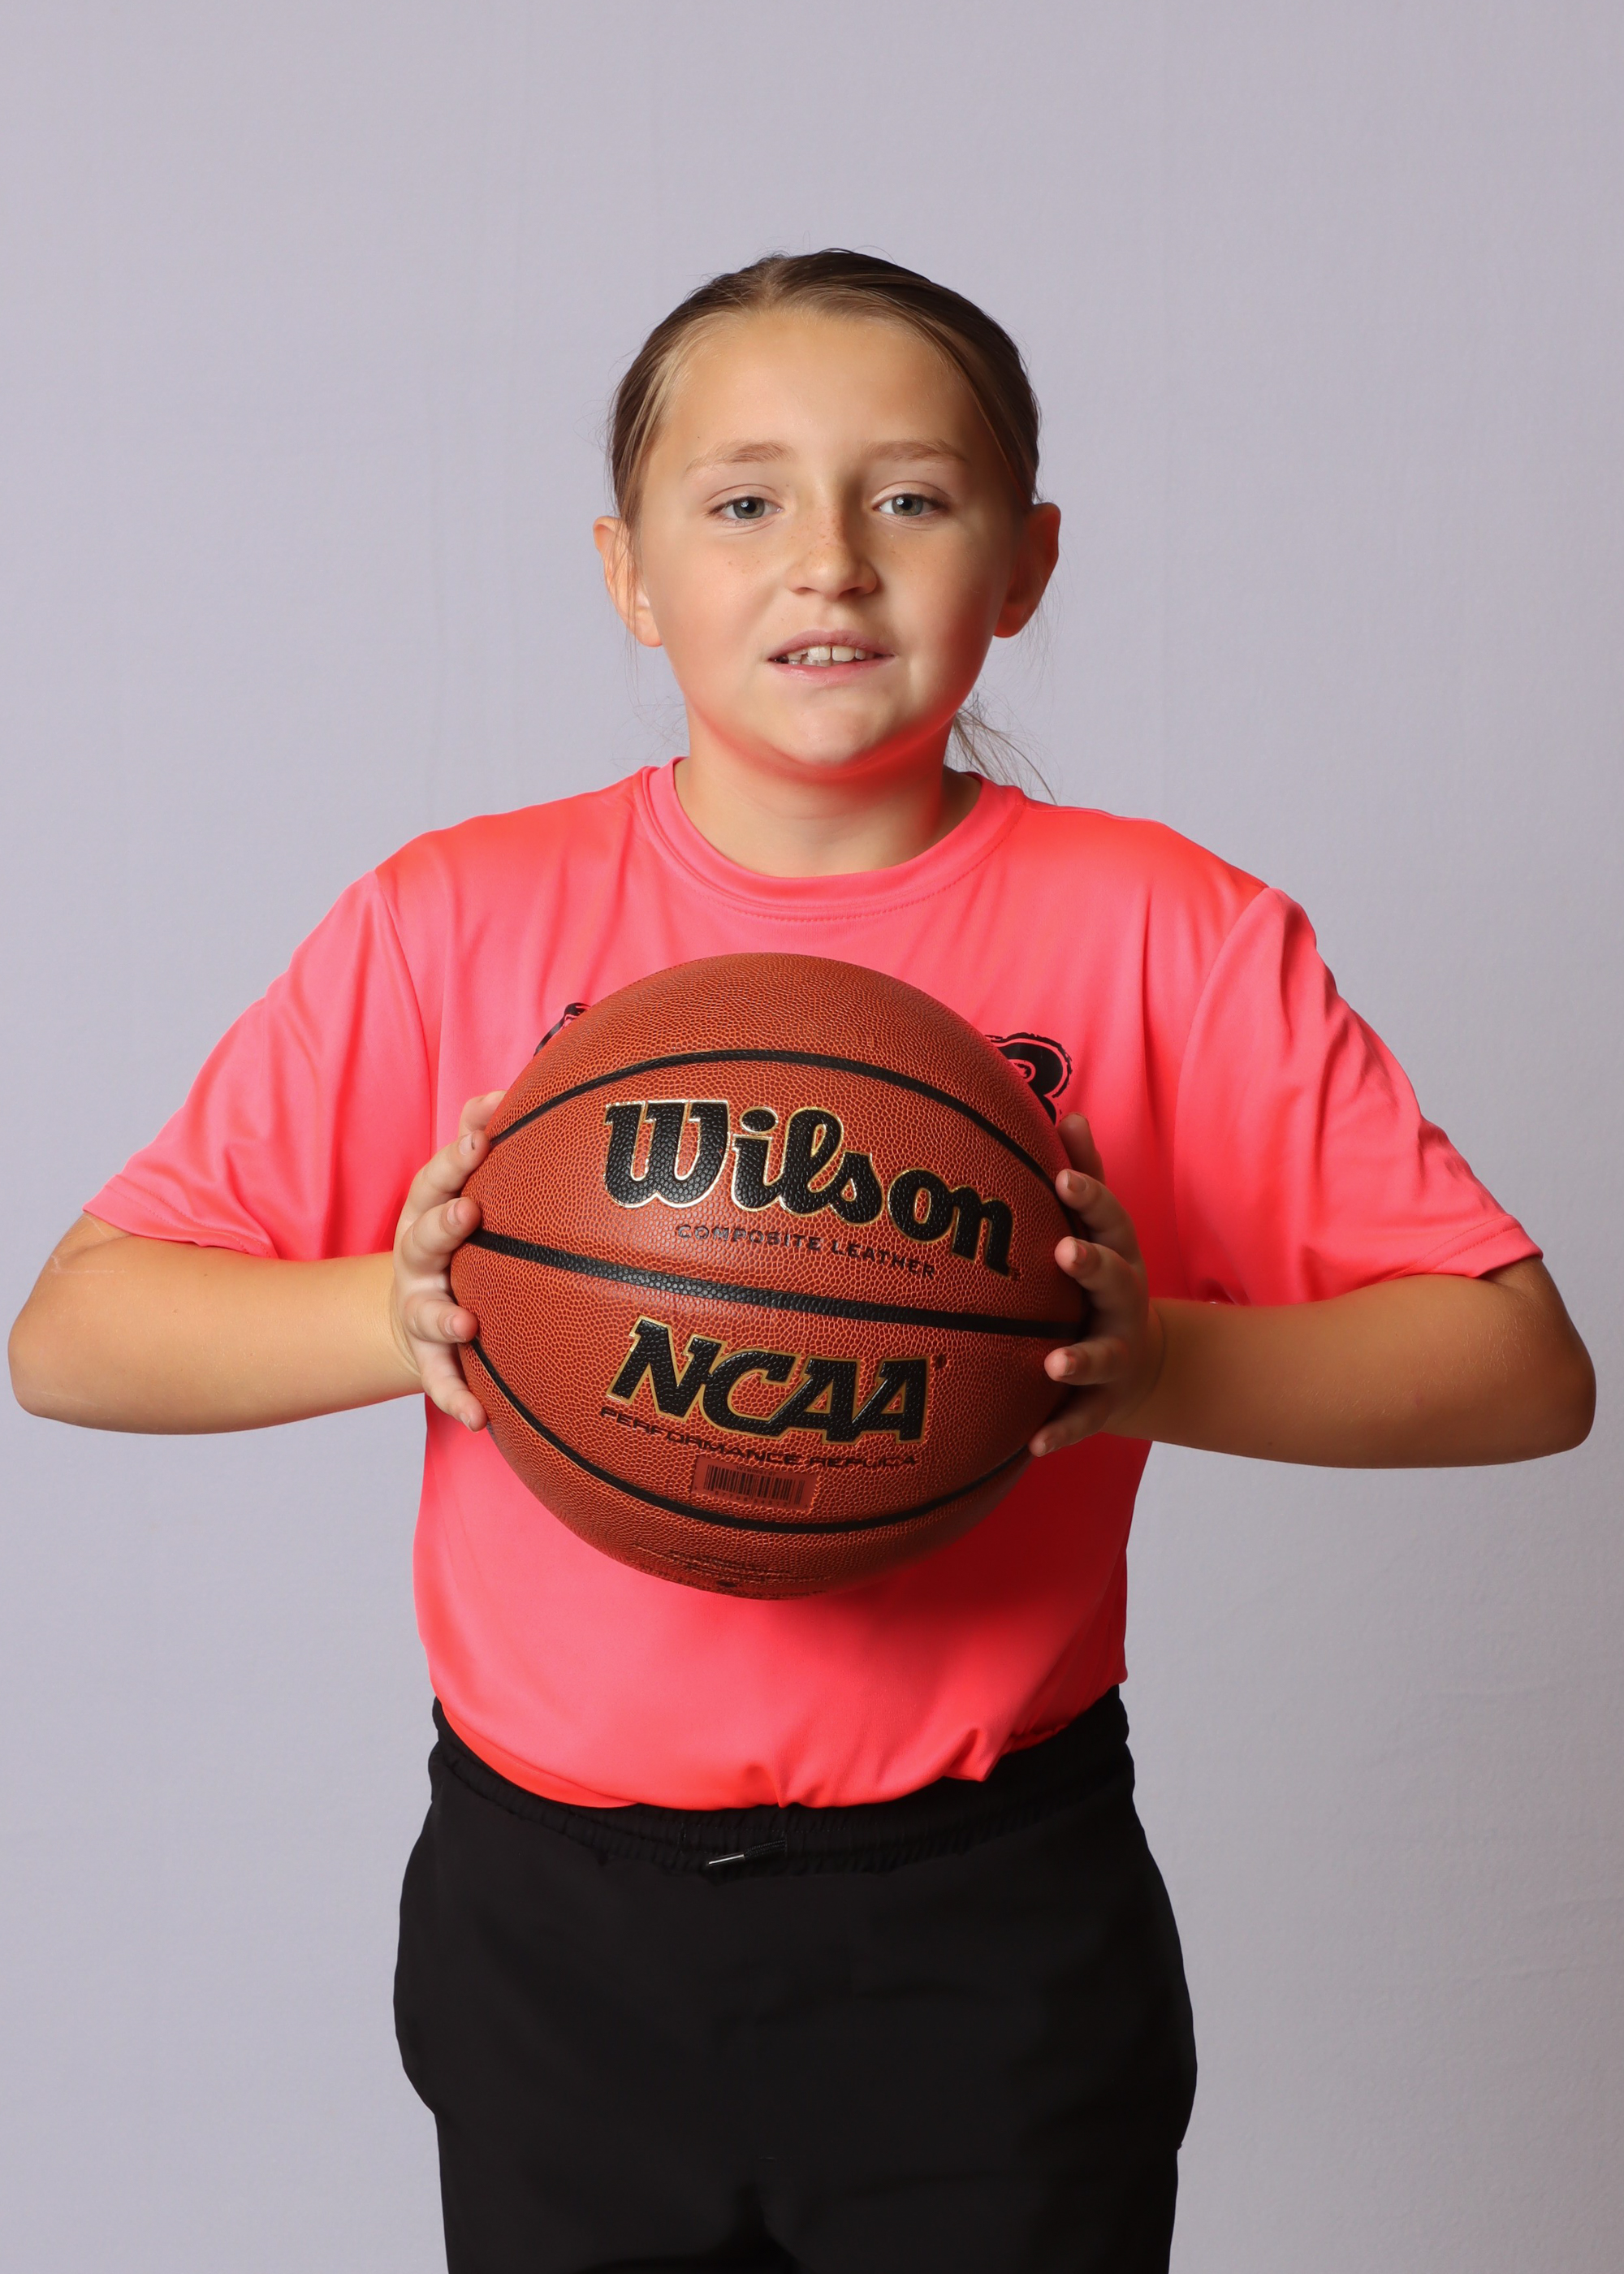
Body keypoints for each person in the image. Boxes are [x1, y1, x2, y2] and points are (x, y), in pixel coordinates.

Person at [8, 252, 1595, 2274]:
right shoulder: (452, 916)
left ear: (1025, 563)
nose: (827, 559)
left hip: (987, 1907)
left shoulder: (1168, 933)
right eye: (742, 499)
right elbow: (75, 1334)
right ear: (627, 571)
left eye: (909, 496)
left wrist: (1154, 1361)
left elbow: (1519, 1364)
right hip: (548, 1910)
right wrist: (401, 1304)